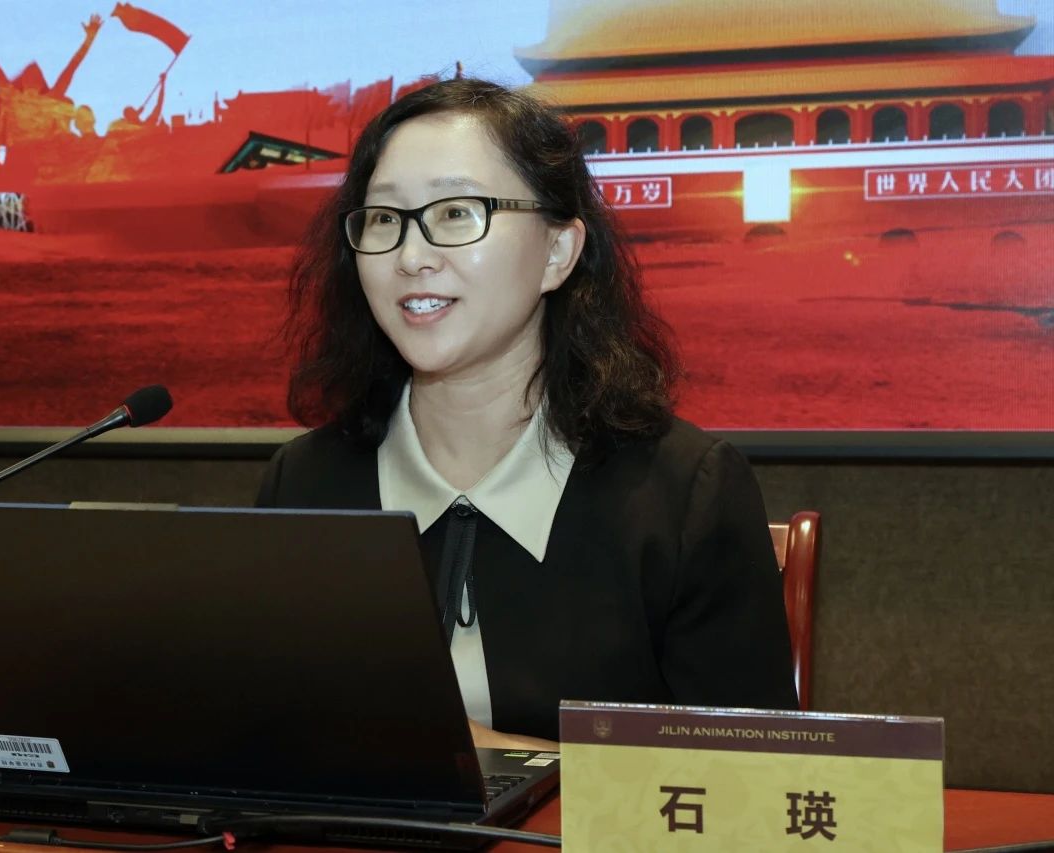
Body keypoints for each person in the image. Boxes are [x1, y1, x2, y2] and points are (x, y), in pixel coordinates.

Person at [256, 78, 798, 751]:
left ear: (556, 252)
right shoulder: (304, 485)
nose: (411, 257)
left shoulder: (683, 495)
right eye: (384, 219)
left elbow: (751, 781)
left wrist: (488, 754)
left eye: (457, 213)